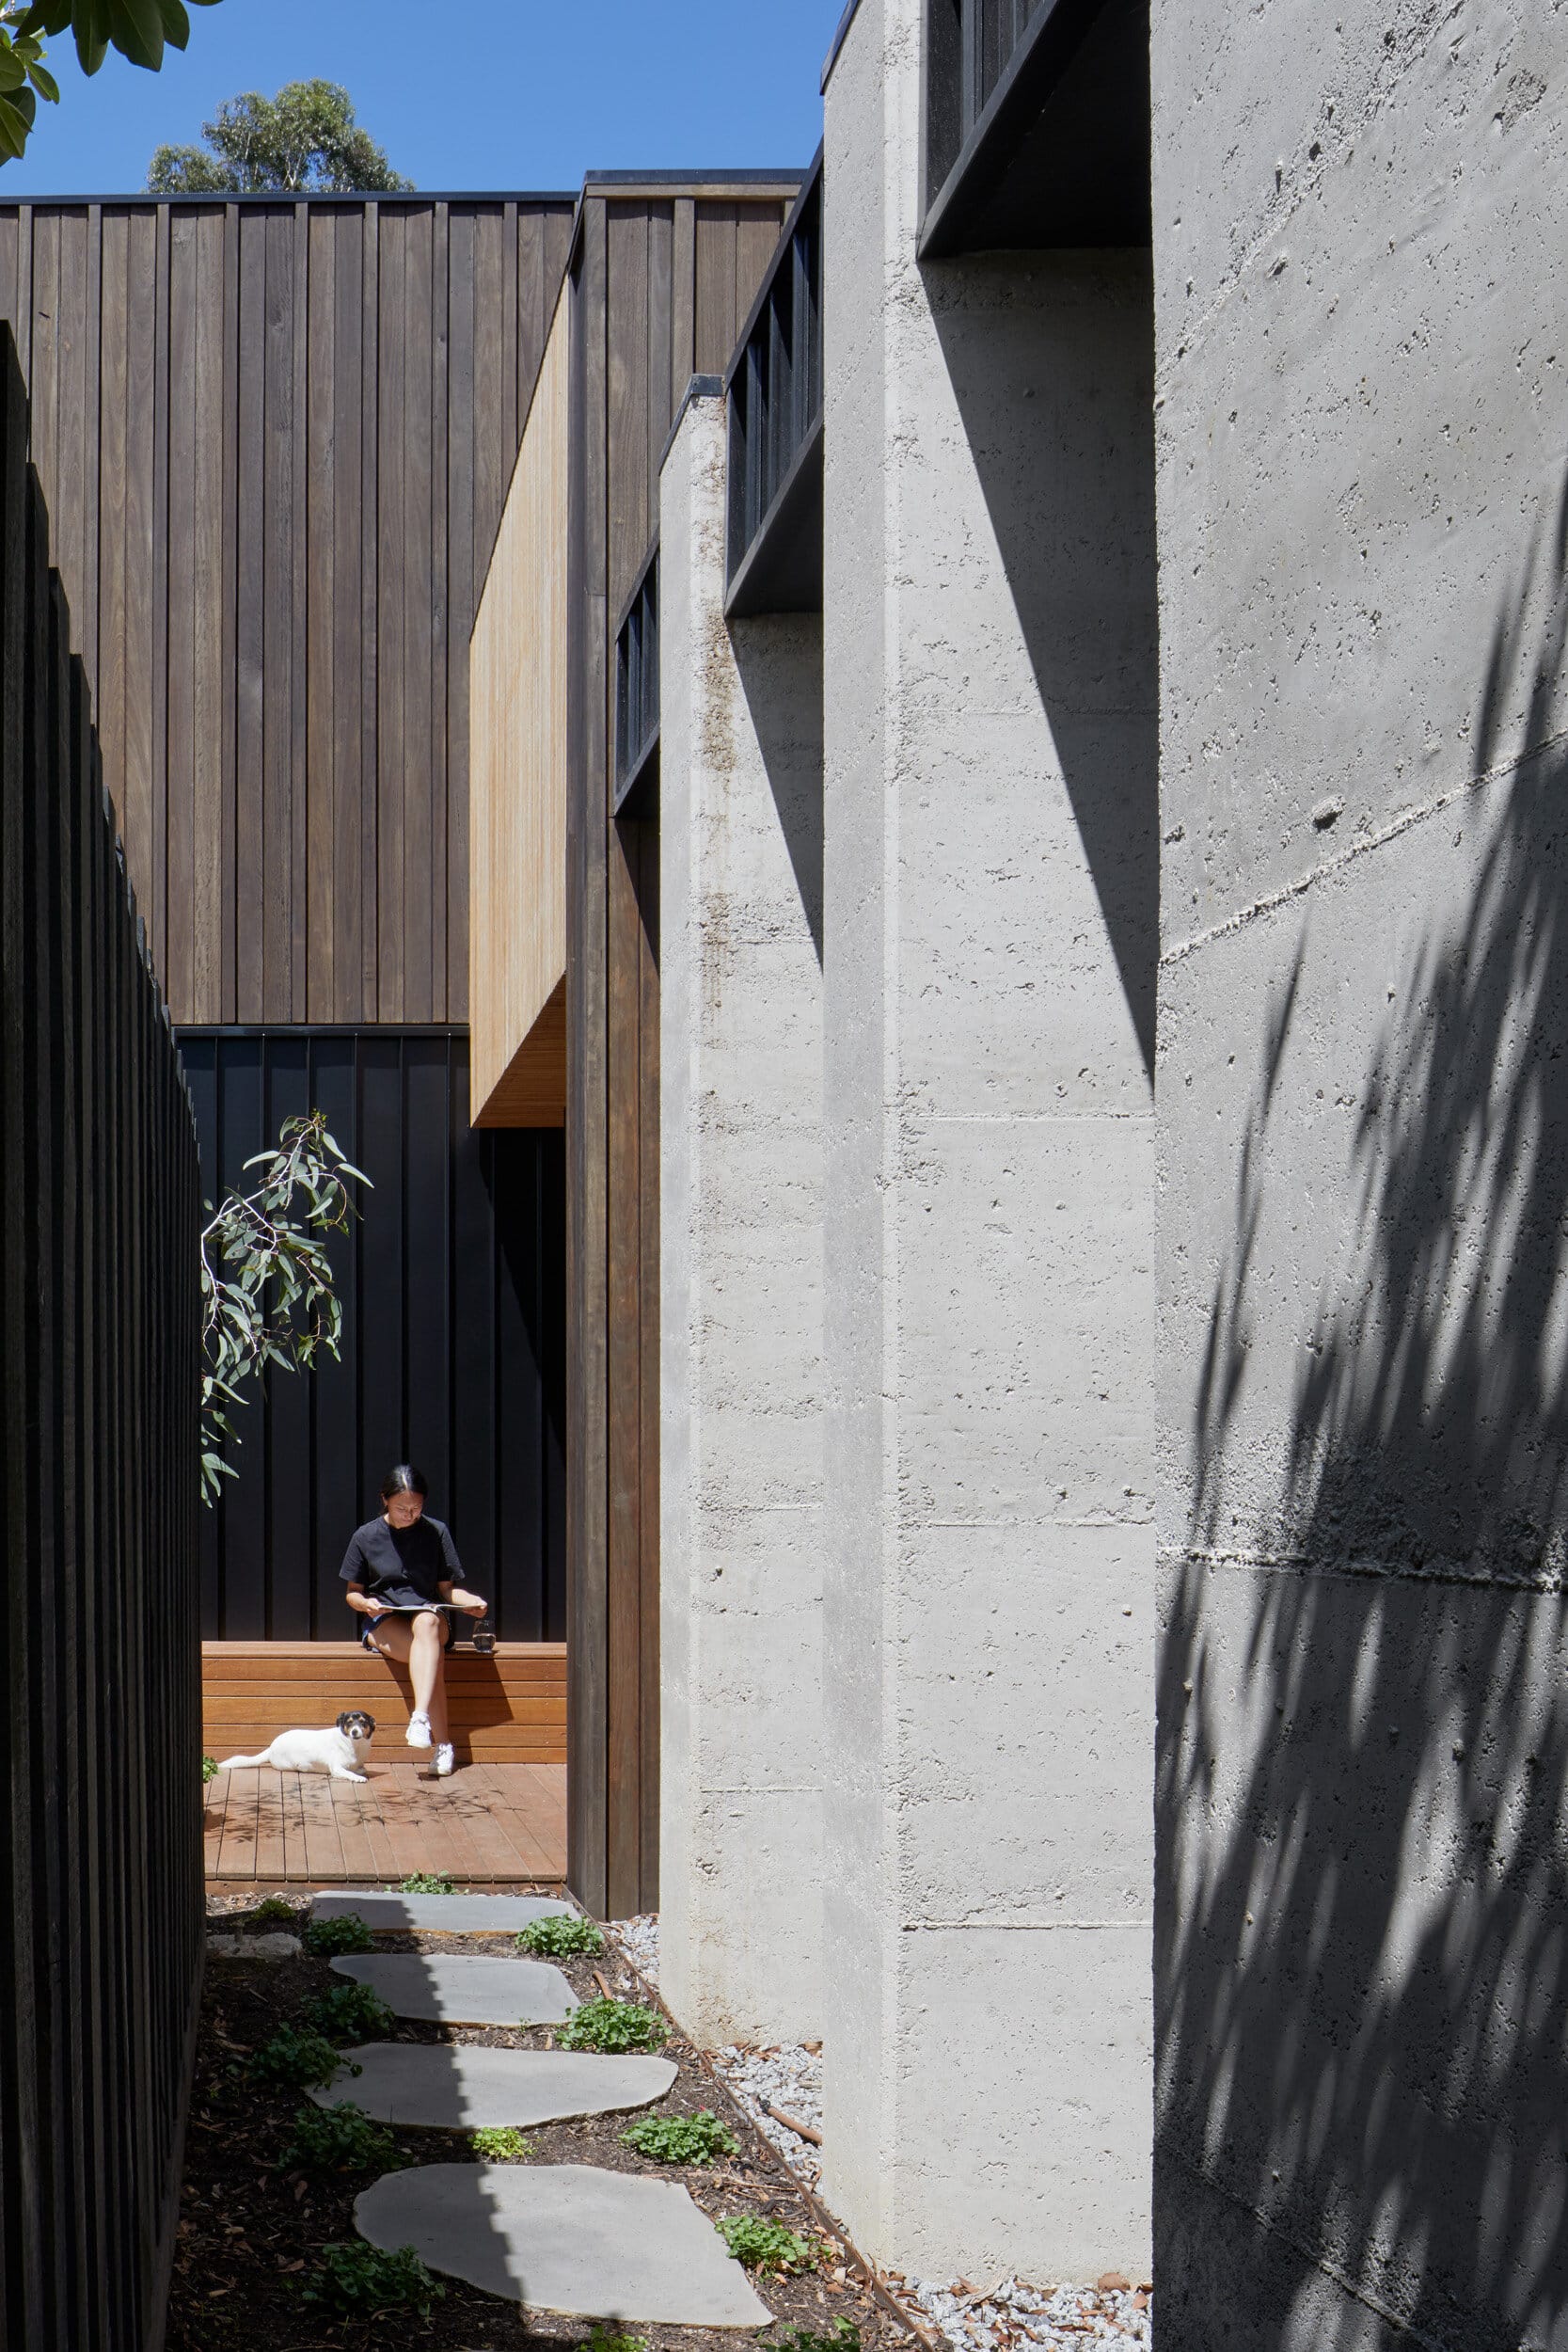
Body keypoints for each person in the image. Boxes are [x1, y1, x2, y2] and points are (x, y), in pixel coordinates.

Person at [341, 1466, 487, 1779]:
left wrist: (470, 1602)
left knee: (428, 1624)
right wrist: (366, 1603)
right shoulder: (365, 1536)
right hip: (386, 1619)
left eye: (416, 1508)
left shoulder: (436, 1532)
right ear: (384, 1500)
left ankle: (420, 1718)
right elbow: (352, 1594)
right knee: (429, 1659)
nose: (410, 1514)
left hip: (428, 1616)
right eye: (402, 1508)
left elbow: (449, 1591)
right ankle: (444, 1743)